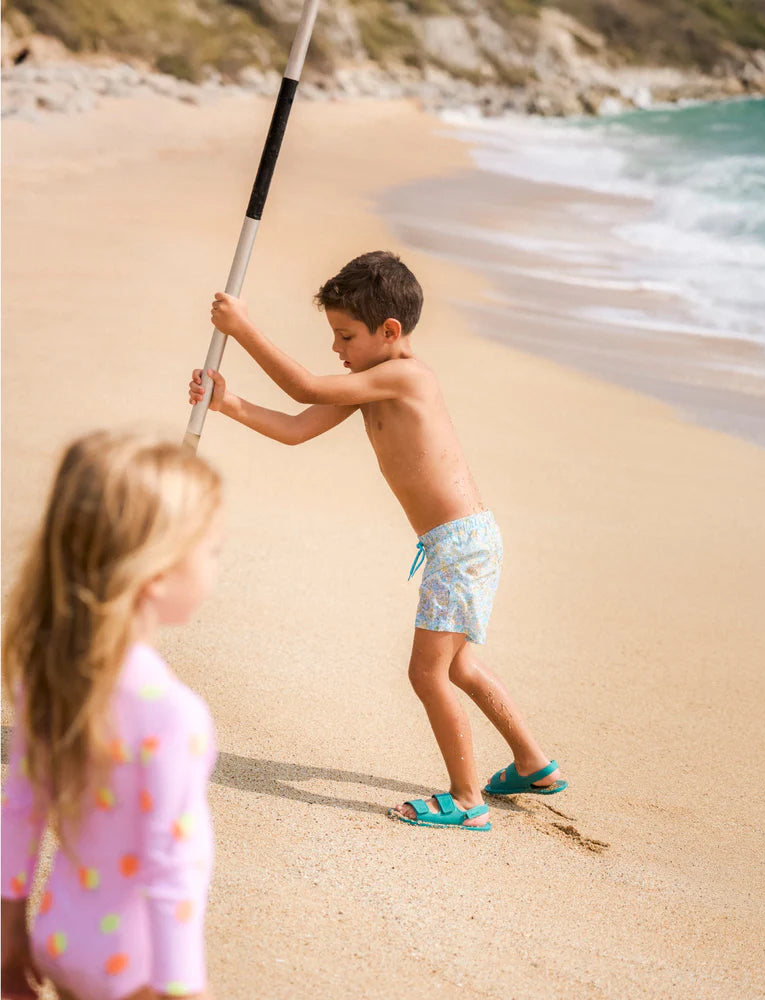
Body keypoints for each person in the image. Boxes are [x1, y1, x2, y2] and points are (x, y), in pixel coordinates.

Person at [189, 250, 566, 832]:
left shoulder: (407, 375)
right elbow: (296, 427)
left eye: (345, 335)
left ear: (390, 331)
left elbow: (303, 384)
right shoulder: (369, 382)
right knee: (459, 667)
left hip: (460, 545)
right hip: (460, 544)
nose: (337, 349)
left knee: (427, 674)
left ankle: (467, 801)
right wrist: (227, 403)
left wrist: (242, 329)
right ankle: (534, 763)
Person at [1, 431, 223, 999]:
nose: (218, 565)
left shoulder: (49, 674)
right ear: (157, 574)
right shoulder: (174, 715)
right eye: (212, 550)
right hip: (136, 965)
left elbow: (21, 808)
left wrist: (6, 938)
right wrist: (180, 989)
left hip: (61, 934)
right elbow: (170, 864)